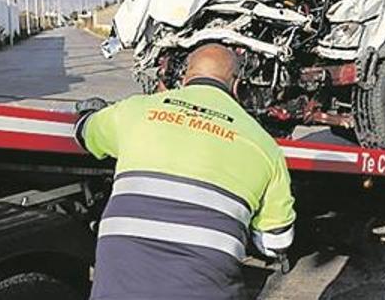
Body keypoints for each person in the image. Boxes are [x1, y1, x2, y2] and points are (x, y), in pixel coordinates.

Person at [75, 44, 296, 300]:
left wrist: (90, 113)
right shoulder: (264, 146)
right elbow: (274, 242)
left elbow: (85, 134)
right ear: (237, 85)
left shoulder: (135, 110)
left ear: (184, 77)